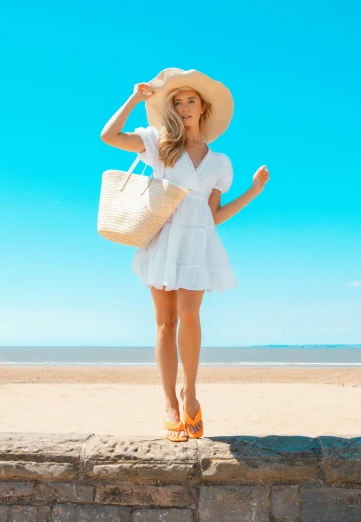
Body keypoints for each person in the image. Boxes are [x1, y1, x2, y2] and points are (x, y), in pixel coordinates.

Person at [100, 68, 270, 442]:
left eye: (190, 100)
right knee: (165, 323)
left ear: (203, 106)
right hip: (162, 238)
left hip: (196, 242)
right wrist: (134, 98)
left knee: (190, 318)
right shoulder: (161, 144)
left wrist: (253, 192)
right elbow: (108, 136)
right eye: (177, 102)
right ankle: (169, 406)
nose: (184, 106)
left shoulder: (220, 161)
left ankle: (190, 395)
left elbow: (212, 217)